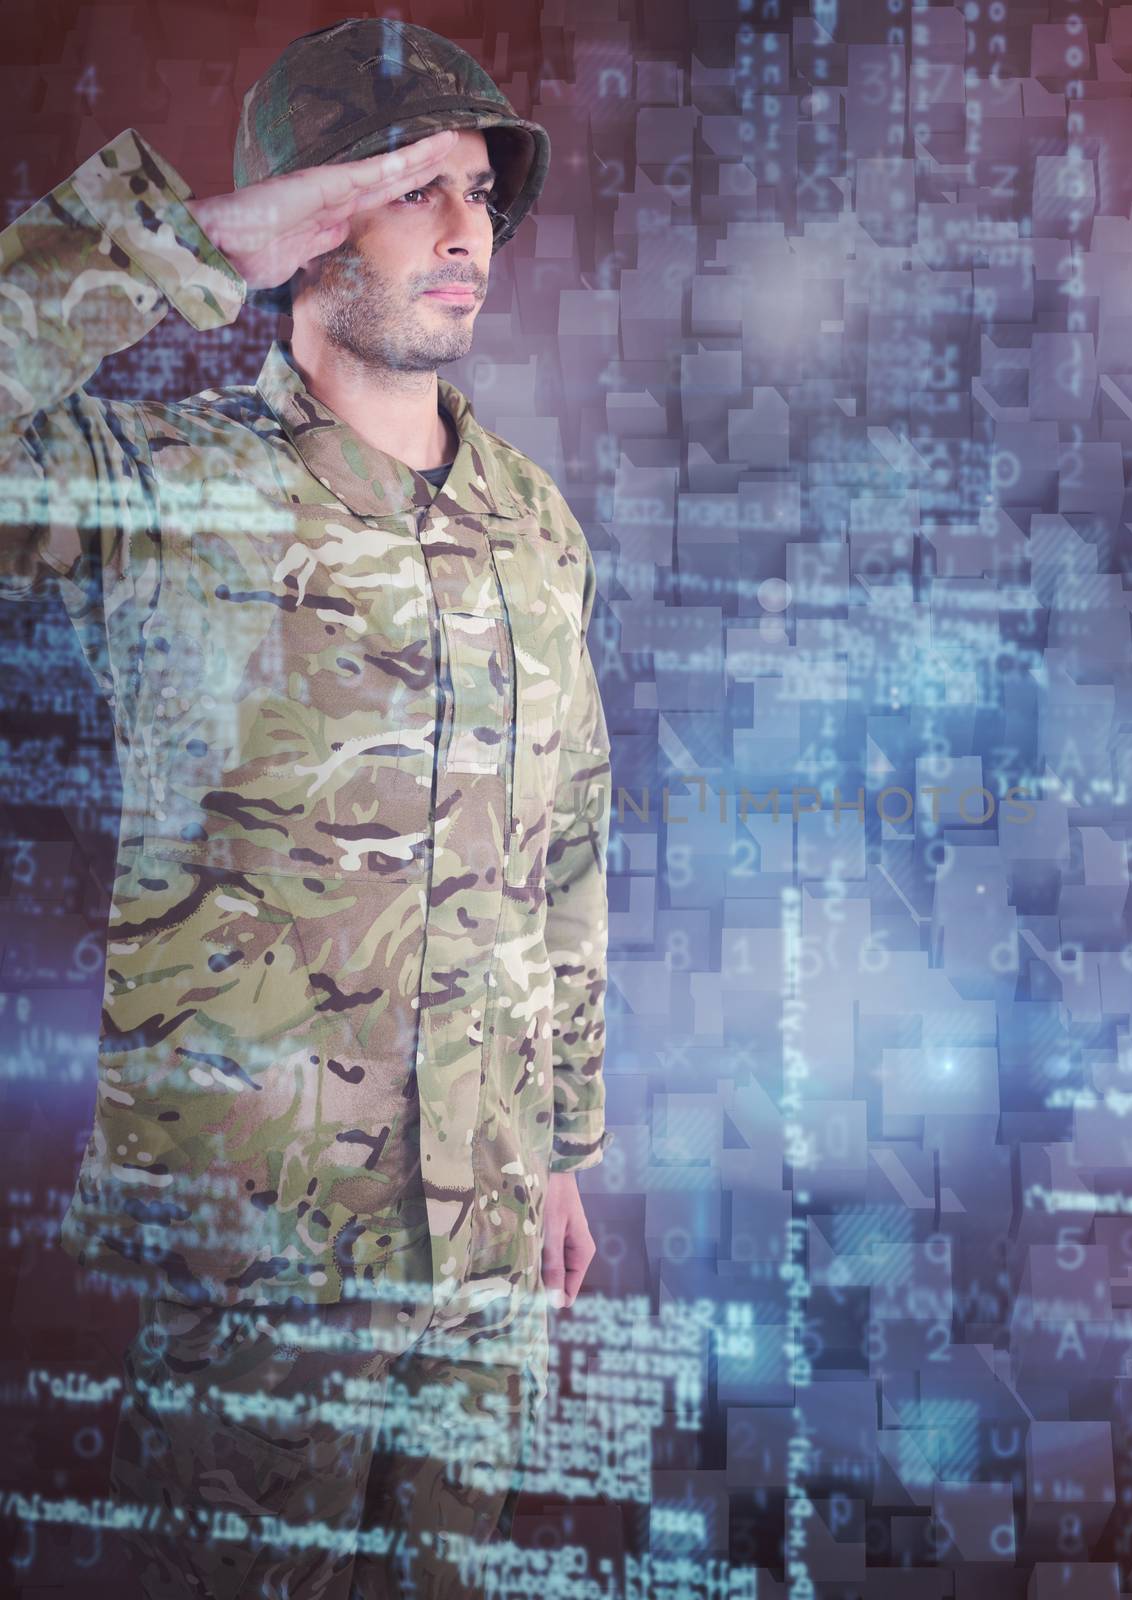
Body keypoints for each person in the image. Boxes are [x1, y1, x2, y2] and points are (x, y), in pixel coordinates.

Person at [0, 18, 613, 1597]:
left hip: (477, 1250)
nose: (468, 226)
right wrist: (198, 238)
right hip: (253, 1263)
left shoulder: (533, 526)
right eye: (413, 188)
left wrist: (557, 1146)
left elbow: (564, 845)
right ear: (309, 222)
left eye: (478, 188)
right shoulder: (169, 488)